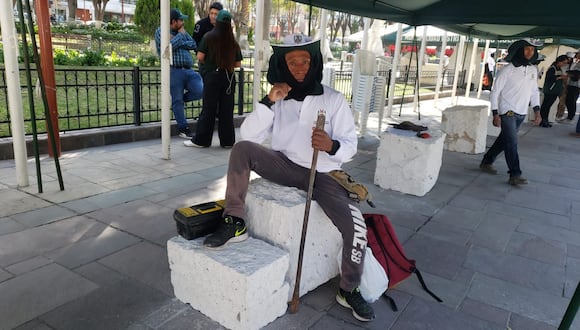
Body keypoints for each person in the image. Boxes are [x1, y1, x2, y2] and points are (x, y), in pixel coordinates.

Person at [201, 35, 375, 322]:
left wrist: (331, 145)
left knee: (356, 230)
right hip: (285, 164)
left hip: (325, 174)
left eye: (304, 60)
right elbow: (249, 136)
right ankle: (234, 221)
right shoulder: (279, 98)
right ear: (283, 64)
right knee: (243, 150)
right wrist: (268, 101)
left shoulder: (332, 99)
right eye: (292, 61)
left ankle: (349, 289)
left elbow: (351, 145)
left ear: (314, 62)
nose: (299, 67)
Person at [479, 39, 542, 186]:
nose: (530, 52)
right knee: (512, 142)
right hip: (507, 111)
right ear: (519, 50)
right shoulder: (507, 70)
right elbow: (495, 93)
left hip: (521, 112)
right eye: (527, 49)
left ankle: (486, 161)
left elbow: (534, 92)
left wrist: (537, 111)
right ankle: (515, 174)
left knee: (504, 140)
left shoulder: (533, 70)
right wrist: (495, 113)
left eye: (532, 50)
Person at [184, 10, 242, 148]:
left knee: (208, 109)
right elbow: (238, 64)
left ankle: (202, 140)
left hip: (212, 77)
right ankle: (227, 142)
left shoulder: (209, 37)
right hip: (228, 78)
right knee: (227, 110)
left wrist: (211, 64)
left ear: (218, 22)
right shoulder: (233, 41)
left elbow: (200, 57)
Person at [155, 8, 203, 139]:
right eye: (181, 20)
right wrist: (180, 38)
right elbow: (166, 48)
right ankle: (183, 128)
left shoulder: (181, 31)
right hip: (174, 70)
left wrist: (177, 40)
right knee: (177, 99)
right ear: (173, 21)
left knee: (200, 90)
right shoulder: (161, 31)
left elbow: (193, 44)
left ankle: (180, 102)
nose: (183, 22)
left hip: (188, 69)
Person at [539, 54, 569, 127]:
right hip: (550, 90)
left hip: (555, 91)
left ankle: (545, 120)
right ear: (559, 61)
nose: (564, 64)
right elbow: (550, 78)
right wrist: (560, 77)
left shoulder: (559, 68)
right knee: (545, 106)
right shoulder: (552, 68)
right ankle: (543, 120)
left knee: (548, 106)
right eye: (564, 62)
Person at [564, 51, 580, 123]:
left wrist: (572, 74)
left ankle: (571, 117)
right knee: (568, 100)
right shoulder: (574, 62)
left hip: (577, 85)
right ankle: (569, 116)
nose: (576, 55)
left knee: (572, 101)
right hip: (570, 84)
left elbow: (577, 74)